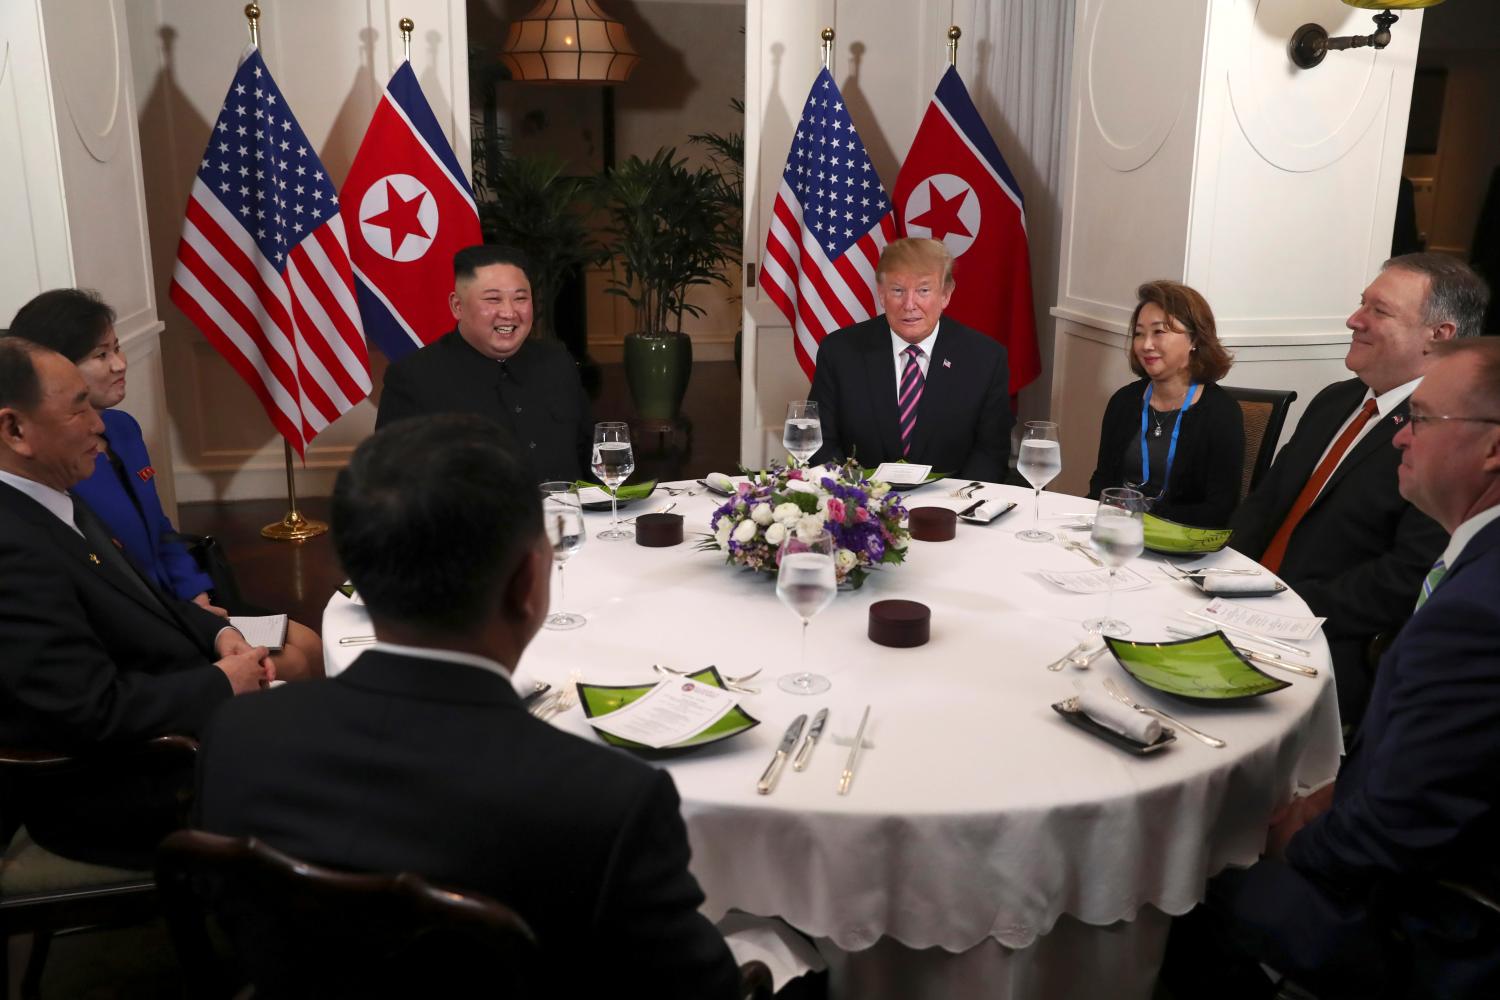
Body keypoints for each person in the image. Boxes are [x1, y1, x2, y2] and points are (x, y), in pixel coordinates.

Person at [193, 414, 740, 998]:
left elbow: (234, 921)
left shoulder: (238, 735)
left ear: (354, 573)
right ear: (530, 582)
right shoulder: (609, 802)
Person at [1162, 338, 1500, 1000]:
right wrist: (1322, 797)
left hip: (1424, 924)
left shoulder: (1476, 617)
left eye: (1422, 420)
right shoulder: (1478, 560)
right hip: (1409, 851)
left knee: (1168, 869)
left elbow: (1398, 830)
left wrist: (1283, 839)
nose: (1399, 436)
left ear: (1492, 449)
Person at [0, 338, 271, 868]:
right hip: (117, 787)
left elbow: (140, 596)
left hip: (172, 732)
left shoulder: (51, 496)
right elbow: (86, 710)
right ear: (14, 429)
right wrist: (221, 683)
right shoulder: (12, 545)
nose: (100, 425)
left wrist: (215, 632)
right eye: (79, 407)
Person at [6, 288, 323, 680]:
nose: (120, 364)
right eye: (101, 355)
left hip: (182, 605)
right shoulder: (56, 470)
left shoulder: (123, 429)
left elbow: (160, 530)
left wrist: (197, 596)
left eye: (117, 348)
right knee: (291, 663)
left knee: (309, 640)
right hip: (146, 623)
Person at [1228, 253, 1488, 727]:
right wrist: (1217, 580)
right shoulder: (1336, 399)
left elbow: (1404, 577)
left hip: (1328, 646)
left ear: (1440, 336)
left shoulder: (1447, 435)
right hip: (1238, 608)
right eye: (1361, 304)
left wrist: (1282, 609)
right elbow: (1265, 505)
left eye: (1379, 311)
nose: (1354, 320)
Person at [375, 245, 592, 483]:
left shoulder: (556, 362)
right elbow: (392, 485)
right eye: (493, 299)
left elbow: (591, 459)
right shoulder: (414, 378)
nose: (509, 313)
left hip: (570, 518)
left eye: (520, 298)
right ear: (457, 306)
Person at [807, 238, 1013, 481]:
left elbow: (990, 454)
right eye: (898, 290)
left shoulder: (985, 358)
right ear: (881, 294)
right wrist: (853, 498)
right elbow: (821, 443)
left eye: (923, 290)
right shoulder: (839, 352)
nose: (909, 304)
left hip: (950, 508)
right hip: (861, 504)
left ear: (946, 294)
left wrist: (954, 506)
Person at [1087, 280, 1243, 526]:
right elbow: (1101, 483)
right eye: (1139, 333)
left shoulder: (1221, 413)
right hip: (1116, 532)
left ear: (1195, 339)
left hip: (1180, 545)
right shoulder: (1124, 401)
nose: (1145, 345)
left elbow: (1220, 509)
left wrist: (1147, 517)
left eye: (1159, 332)